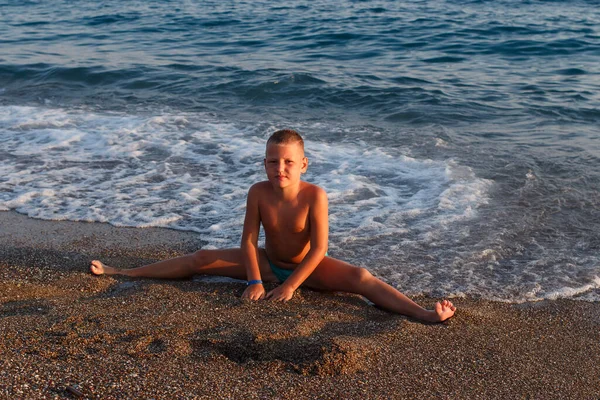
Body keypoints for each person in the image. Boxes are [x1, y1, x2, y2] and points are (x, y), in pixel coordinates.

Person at [90, 129, 456, 322]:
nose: (280, 169)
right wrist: (254, 280)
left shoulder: (316, 196)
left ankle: (424, 314)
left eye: (288, 162)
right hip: (266, 264)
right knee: (201, 257)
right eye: (272, 161)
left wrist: (291, 286)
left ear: (304, 164)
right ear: (264, 163)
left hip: (307, 269)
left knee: (360, 277)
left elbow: (319, 249)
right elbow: (248, 241)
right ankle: (124, 271)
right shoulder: (258, 192)